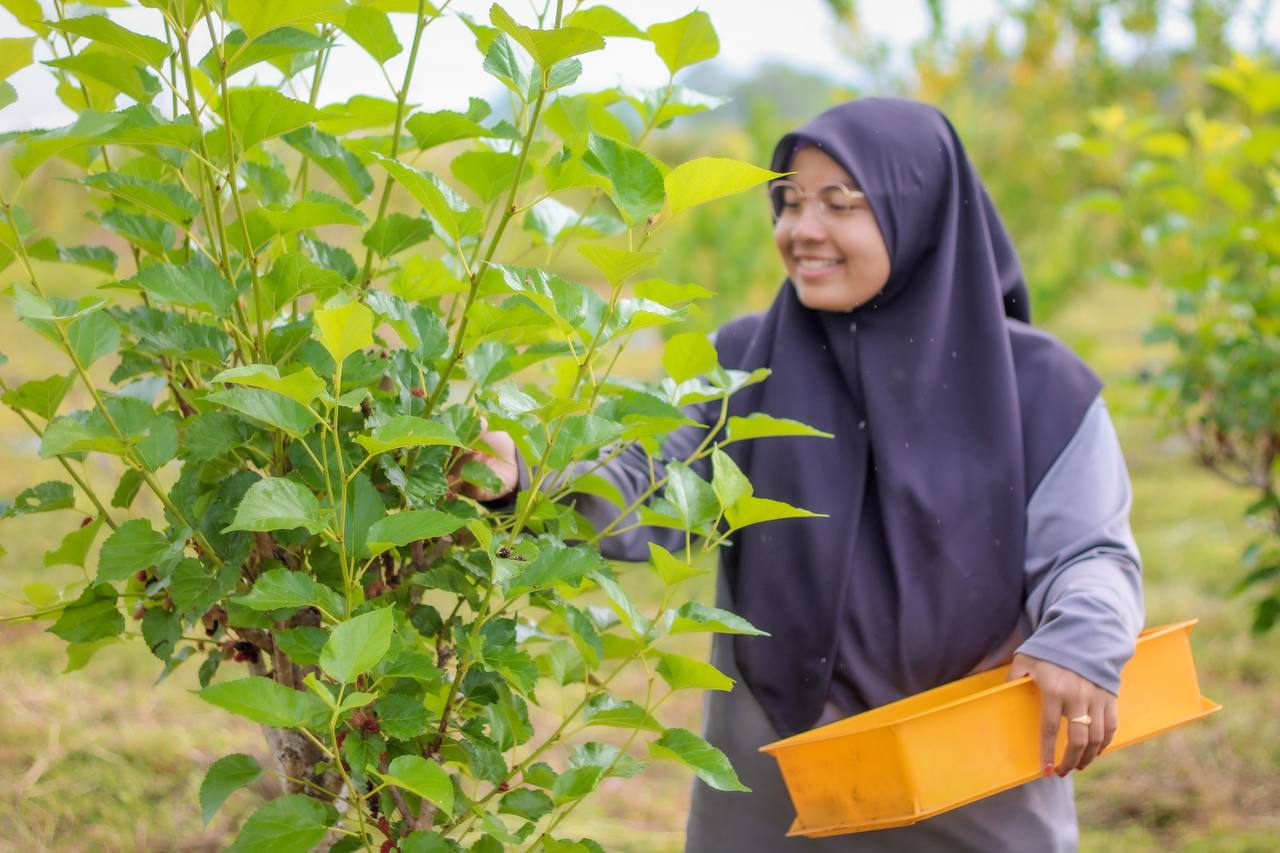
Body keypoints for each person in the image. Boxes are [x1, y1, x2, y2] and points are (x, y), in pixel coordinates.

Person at [456, 98, 1144, 852]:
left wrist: (1080, 642)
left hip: (975, 771)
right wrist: (524, 472)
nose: (801, 229)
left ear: (919, 214)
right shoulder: (748, 359)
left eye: (840, 204)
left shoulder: (1039, 388)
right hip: (778, 782)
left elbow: (1090, 552)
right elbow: (651, 479)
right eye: (788, 201)